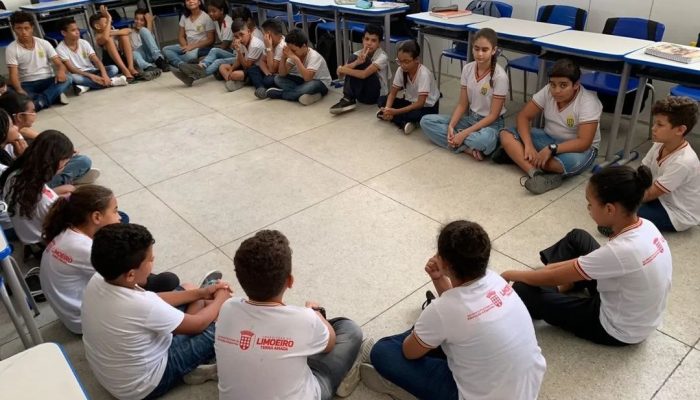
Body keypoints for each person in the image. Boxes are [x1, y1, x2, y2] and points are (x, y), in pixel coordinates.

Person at [363, 220, 546, 400]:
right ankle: (428, 335)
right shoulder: (495, 279)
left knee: (383, 351)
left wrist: (425, 329)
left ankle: (398, 385)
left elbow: (409, 352)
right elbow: (459, 308)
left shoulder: (442, 310)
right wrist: (438, 279)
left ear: (445, 263)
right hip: (526, 389)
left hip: (477, 395)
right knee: (447, 329)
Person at [501, 165, 672, 346]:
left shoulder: (620, 251)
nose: (588, 208)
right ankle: (565, 284)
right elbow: (584, 263)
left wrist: (511, 274)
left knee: (523, 289)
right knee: (578, 237)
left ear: (609, 209)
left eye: (590, 203)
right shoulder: (646, 226)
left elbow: (553, 275)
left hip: (616, 328)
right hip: (635, 312)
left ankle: (561, 286)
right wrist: (551, 274)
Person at [82, 223, 232, 399]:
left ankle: (202, 306)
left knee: (188, 288)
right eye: (150, 260)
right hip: (145, 384)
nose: (154, 260)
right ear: (130, 275)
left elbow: (154, 300)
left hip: (115, 373)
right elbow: (197, 325)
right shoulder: (139, 305)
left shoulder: (99, 278)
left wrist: (200, 293)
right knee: (224, 318)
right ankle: (193, 364)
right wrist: (222, 297)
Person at [216, 230, 366, 400]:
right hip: (309, 388)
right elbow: (330, 343)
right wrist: (315, 313)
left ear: (240, 278)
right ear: (290, 281)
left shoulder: (227, 308)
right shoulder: (304, 318)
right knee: (349, 329)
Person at [39, 184, 179, 334]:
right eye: (115, 210)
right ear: (96, 217)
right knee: (169, 281)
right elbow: (133, 280)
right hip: (84, 320)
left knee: (124, 221)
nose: (118, 216)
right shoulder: (86, 249)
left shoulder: (69, 231)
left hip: (70, 309)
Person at [498, 58, 602, 194]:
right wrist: (528, 145)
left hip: (579, 149)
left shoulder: (588, 102)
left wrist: (551, 149)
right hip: (548, 138)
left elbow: (584, 143)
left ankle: (517, 156)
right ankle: (535, 173)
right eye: (553, 84)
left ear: (576, 85)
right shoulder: (548, 91)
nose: (556, 90)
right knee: (505, 134)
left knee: (562, 163)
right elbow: (523, 116)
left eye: (563, 85)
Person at [420, 28, 508, 160]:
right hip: (471, 119)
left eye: (485, 50)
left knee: (483, 140)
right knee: (425, 121)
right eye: (476, 49)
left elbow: (493, 116)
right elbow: (462, 104)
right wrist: (451, 126)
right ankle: (466, 148)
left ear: (494, 50)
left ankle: (460, 140)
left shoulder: (500, 76)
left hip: (491, 124)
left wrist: (463, 134)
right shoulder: (468, 69)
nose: (479, 54)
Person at [0, 91, 99, 187]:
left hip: (28, 171)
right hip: (29, 183)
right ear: (19, 117)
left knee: (67, 156)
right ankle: (63, 180)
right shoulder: (8, 148)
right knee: (83, 161)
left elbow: (26, 132)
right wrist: (24, 157)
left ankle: (69, 174)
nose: (35, 114)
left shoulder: (13, 134)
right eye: (32, 111)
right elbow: (22, 175)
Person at [634, 96, 699, 233]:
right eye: (654, 123)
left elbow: (651, 193)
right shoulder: (659, 144)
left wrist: (623, 197)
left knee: (624, 213)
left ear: (680, 130)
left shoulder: (684, 161)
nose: (653, 128)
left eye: (660, 125)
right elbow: (641, 173)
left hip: (676, 213)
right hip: (659, 198)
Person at [0, 130, 76, 244]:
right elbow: (61, 227)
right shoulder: (46, 201)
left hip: (26, 228)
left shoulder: (13, 174)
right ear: (58, 163)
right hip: (42, 238)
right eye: (66, 163)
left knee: (69, 190)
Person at [6, 11, 72, 111]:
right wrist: (19, 90)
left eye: (26, 28)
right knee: (11, 92)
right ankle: (53, 96)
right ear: (14, 29)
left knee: (69, 78)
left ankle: (39, 103)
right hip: (27, 84)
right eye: (19, 28)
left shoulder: (43, 43)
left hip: (47, 80)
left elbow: (60, 64)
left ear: (32, 28)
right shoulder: (11, 48)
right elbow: (13, 75)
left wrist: (61, 71)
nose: (23, 32)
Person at [378, 39, 440, 135]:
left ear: (416, 60)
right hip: (410, 102)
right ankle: (398, 119)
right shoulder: (400, 70)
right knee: (382, 100)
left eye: (406, 61)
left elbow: (420, 103)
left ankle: (399, 119)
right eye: (399, 61)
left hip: (427, 107)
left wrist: (395, 112)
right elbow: (393, 93)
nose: (402, 65)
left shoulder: (424, 74)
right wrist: (387, 108)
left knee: (414, 115)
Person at [329, 24, 390, 114]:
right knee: (354, 58)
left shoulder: (383, 57)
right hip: (360, 95)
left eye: (373, 40)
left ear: (379, 43)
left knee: (363, 62)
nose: (369, 43)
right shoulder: (357, 54)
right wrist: (356, 63)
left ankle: (348, 99)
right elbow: (340, 75)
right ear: (362, 40)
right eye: (366, 39)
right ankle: (348, 98)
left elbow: (364, 74)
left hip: (375, 96)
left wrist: (343, 68)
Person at [57, 18, 128, 95]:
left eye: (78, 29)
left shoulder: (83, 42)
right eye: (73, 30)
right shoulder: (60, 48)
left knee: (113, 68)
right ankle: (112, 82)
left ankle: (86, 86)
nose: (77, 32)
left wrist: (104, 74)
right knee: (72, 78)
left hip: (92, 71)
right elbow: (71, 69)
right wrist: (91, 76)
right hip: (79, 74)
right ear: (64, 33)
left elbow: (96, 60)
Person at [263, 29, 331, 106]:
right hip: (302, 81)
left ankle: (282, 94)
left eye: (294, 50)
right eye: (290, 50)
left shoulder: (314, 56)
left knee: (311, 85)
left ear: (304, 46)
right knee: (278, 79)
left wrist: (296, 59)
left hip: (319, 83)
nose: (291, 52)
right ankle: (304, 94)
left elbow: (308, 78)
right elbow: (282, 74)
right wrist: (283, 58)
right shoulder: (295, 53)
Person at [174, 0, 234, 85]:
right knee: (205, 57)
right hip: (226, 50)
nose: (210, 14)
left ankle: (198, 67)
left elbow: (224, 46)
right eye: (209, 11)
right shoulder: (217, 20)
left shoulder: (227, 23)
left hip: (231, 52)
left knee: (213, 53)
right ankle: (193, 73)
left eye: (214, 11)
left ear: (222, 11)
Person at [90, 5, 142, 81]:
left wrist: (112, 33)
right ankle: (125, 70)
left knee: (124, 36)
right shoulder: (97, 37)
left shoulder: (111, 31)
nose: (110, 24)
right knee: (109, 40)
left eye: (109, 22)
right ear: (98, 26)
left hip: (123, 59)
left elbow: (128, 30)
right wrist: (109, 18)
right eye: (106, 23)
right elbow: (105, 38)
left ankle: (131, 67)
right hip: (111, 64)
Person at [162, 0, 215, 70]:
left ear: (199, 2)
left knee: (190, 56)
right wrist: (186, 47)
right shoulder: (184, 17)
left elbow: (210, 40)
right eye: (187, 0)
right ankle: (180, 64)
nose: (190, 1)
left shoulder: (206, 17)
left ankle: (176, 61)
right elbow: (181, 36)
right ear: (185, 4)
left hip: (200, 48)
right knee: (166, 49)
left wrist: (192, 47)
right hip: (187, 46)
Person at [215, 18, 265, 92]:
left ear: (248, 31)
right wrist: (230, 70)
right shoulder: (242, 42)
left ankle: (237, 81)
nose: (240, 38)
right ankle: (233, 81)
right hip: (246, 66)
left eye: (242, 34)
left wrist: (238, 50)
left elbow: (246, 66)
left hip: (256, 70)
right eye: (236, 36)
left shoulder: (255, 44)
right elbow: (239, 60)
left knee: (235, 74)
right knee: (222, 67)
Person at [250, 18, 285, 98]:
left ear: (268, 34)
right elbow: (262, 61)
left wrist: (269, 48)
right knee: (252, 69)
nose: (263, 36)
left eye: (264, 34)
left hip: (279, 75)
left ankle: (259, 85)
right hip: (269, 72)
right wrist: (267, 73)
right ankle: (261, 88)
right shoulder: (270, 43)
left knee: (268, 81)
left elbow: (273, 69)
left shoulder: (282, 45)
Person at [130, 9, 168, 74]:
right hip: (140, 58)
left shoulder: (146, 31)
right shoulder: (130, 32)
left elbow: (149, 39)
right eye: (136, 19)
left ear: (146, 22)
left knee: (143, 30)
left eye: (142, 20)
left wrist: (149, 22)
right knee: (134, 53)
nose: (138, 22)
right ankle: (147, 67)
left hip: (152, 55)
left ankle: (159, 59)